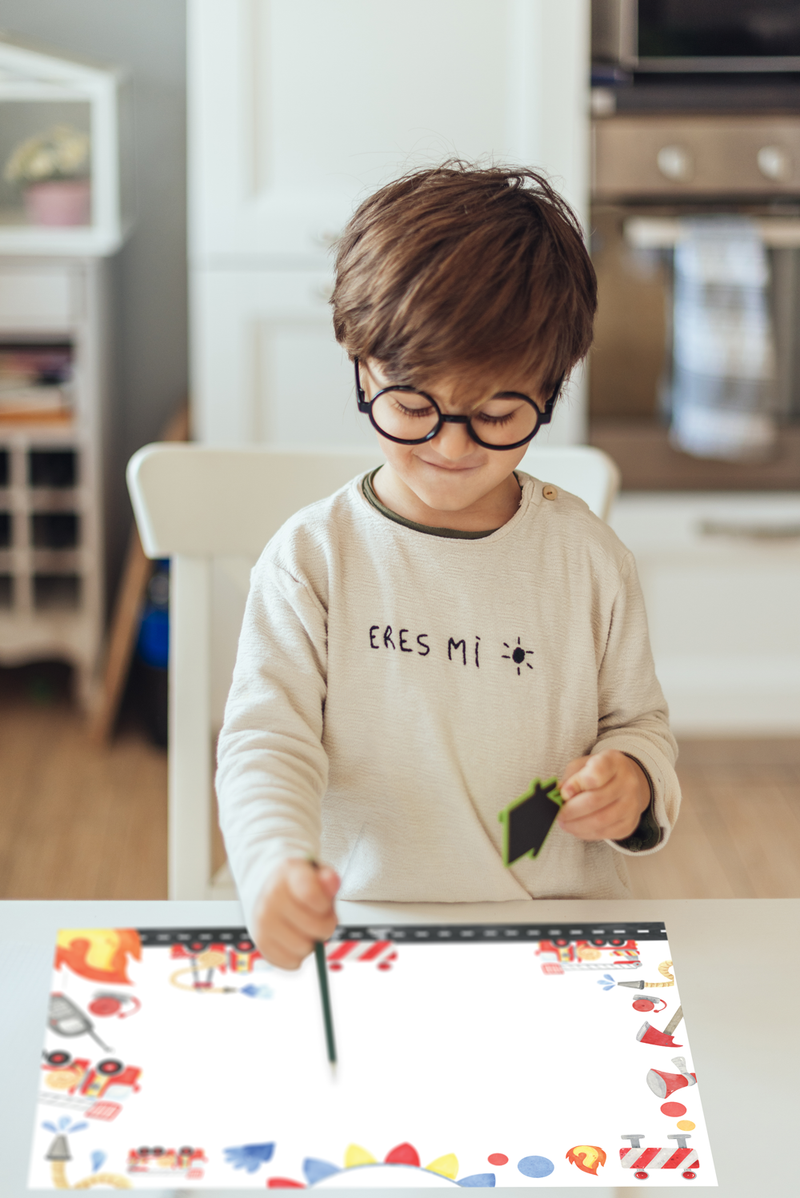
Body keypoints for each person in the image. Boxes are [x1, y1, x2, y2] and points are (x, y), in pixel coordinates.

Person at [216, 163, 680, 970]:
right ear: (358, 360)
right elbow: (267, 741)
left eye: (500, 414)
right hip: (364, 932)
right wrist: (272, 868)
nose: (452, 446)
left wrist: (634, 783)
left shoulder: (590, 563)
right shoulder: (313, 559)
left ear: (553, 385)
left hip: (559, 941)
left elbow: (639, 726)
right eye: (413, 405)